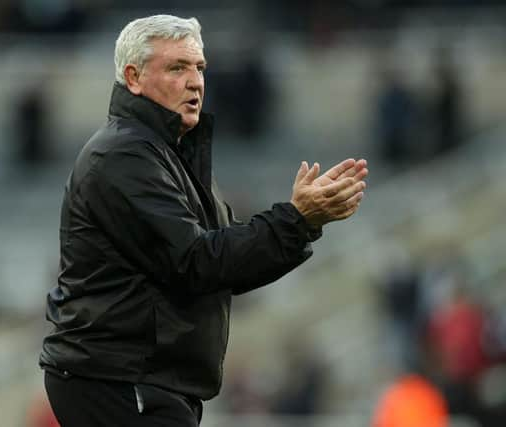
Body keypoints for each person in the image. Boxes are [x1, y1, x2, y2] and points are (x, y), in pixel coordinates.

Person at [39, 14, 368, 427]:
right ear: (133, 77)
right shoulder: (123, 155)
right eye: (177, 68)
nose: (195, 81)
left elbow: (224, 263)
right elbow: (198, 261)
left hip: (143, 378)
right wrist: (296, 219)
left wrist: (302, 223)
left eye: (199, 68)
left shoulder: (167, 153)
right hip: (119, 379)